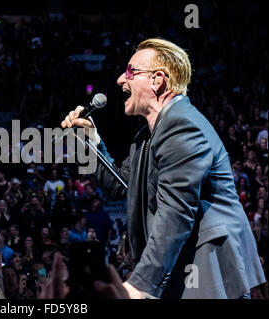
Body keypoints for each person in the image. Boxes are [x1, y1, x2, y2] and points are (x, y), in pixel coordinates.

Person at [61, 38, 266, 298]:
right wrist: (90, 139)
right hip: (182, 266)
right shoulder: (147, 137)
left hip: (205, 266)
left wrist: (139, 284)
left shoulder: (182, 126)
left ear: (158, 80)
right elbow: (117, 185)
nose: (120, 81)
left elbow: (177, 212)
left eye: (130, 72)